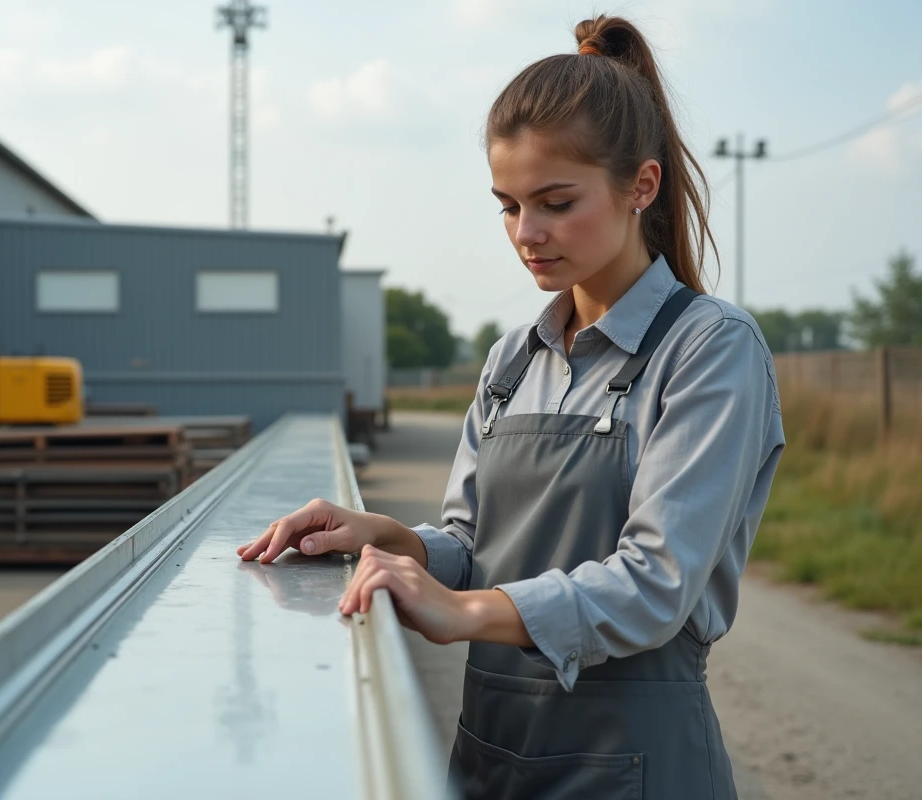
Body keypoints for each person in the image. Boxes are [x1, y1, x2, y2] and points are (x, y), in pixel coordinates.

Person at [238, 14, 784, 800]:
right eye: (507, 205)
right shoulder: (511, 359)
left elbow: (657, 583)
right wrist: (386, 539)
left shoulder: (710, 349)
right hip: (490, 758)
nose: (527, 234)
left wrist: (462, 610)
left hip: (634, 766)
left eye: (556, 202)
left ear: (642, 185)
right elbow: (473, 541)